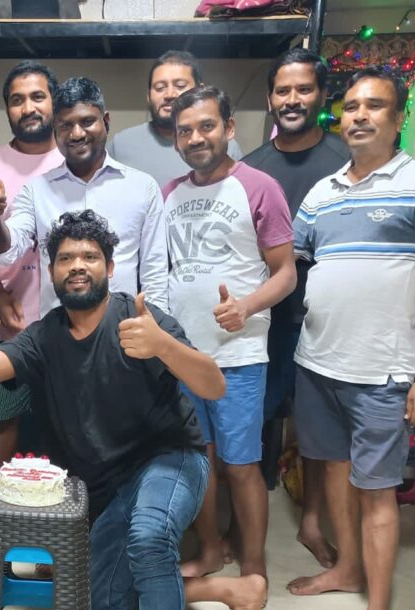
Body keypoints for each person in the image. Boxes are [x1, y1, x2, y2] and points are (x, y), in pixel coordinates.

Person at [0, 210, 266, 610]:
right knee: (104, 601)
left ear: (110, 267)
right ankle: (231, 591)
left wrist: (163, 346)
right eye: (66, 258)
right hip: (110, 490)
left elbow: (213, 385)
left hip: (173, 461)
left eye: (89, 257)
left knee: (149, 539)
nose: (78, 266)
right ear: (52, 271)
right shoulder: (44, 337)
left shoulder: (140, 319)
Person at [288, 68, 415, 610]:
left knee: (377, 491)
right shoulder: (322, 193)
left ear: (398, 117)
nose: (360, 116)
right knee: (333, 470)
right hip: (317, 362)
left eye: (375, 106)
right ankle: (347, 569)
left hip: (383, 372)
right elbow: (290, 265)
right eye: (352, 106)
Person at [163, 85, 296, 581]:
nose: (196, 138)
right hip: (183, 356)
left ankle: (254, 566)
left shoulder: (259, 187)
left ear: (229, 128)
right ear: (175, 139)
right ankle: (211, 549)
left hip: (238, 356)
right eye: (185, 131)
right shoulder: (169, 193)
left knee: (241, 465)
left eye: (206, 126)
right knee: (200, 460)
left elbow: (286, 273)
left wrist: (246, 306)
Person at [242, 48, 352, 570]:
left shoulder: (346, 163)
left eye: (303, 89)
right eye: (282, 90)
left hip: (327, 318)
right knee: (256, 419)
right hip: (264, 319)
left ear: (322, 96)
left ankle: (312, 521)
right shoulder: (250, 168)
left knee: (317, 427)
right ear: (270, 98)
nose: (292, 100)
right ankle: (245, 524)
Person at [0, 76, 168, 319]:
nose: (77, 134)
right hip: (57, 333)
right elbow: (8, 251)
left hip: (124, 330)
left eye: (87, 122)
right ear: (55, 130)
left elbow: (155, 274)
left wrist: (156, 329)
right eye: (66, 125)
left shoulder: (142, 187)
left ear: (106, 121)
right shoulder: (36, 190)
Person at [0, 61, 63, 472]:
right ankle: (1, 501)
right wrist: (0, 295)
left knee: (64, 420)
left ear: (54, 101)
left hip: (66, 324)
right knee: (2, 415)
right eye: (17, 100)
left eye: (37, 97)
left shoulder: (73, 159)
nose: (28, 108)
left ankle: (62, 502)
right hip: (6, 325)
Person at [109, 50, 243, 187]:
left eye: (180, 86)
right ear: (148, 96)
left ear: (200, 90)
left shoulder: (225, 145)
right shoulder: (120, 145)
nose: (169, 94)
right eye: (160, 88)